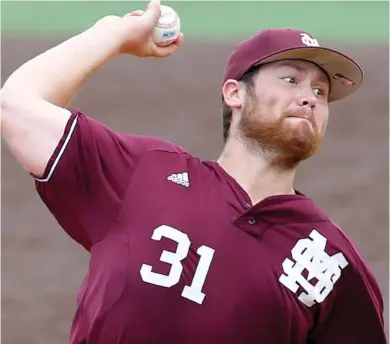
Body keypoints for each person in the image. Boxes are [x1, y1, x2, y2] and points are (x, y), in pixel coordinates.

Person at [1, 0, 387, 343]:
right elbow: (16, 105)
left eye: (321, 93)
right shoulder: (143, 171)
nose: (308, 97)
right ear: (234, 93)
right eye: (291, 80)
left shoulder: (330, 259)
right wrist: (113, 33)